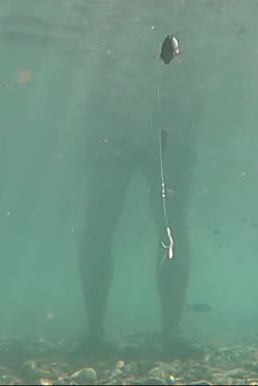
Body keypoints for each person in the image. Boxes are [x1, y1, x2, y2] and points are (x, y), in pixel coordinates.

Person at [77, 60, 200, 353]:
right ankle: (169, 333)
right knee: (170, 225)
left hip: (121, 109)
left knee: (102, 224)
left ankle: (97, 332)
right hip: (165, 110)